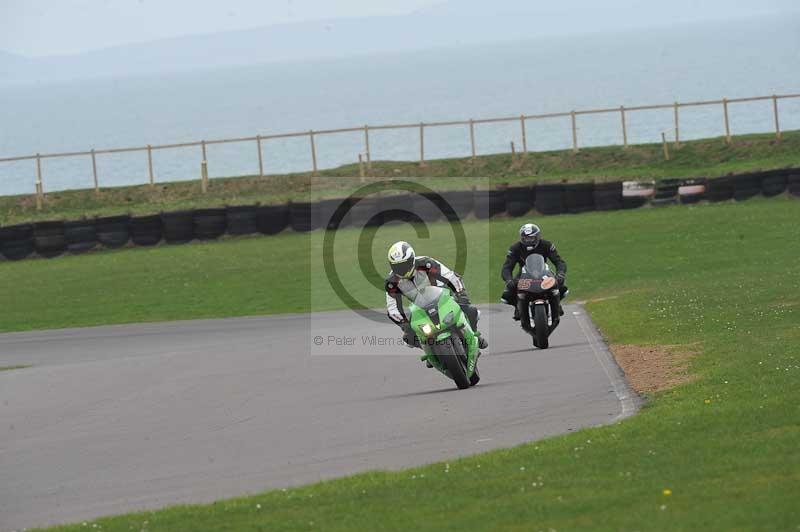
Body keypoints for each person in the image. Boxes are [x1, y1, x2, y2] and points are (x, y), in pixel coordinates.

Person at [385, 241, 488, 353]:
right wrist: (404, 324)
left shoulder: (426, 263)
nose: (401, 269)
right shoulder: (392, 282)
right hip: (420, 308)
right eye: (397, 266)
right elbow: (392, 309)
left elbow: (450, 276)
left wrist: (461, 295)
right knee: (408, 337)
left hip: (442, 297)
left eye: (404, 265)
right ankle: (430, 351)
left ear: (412, 260)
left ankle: (474, 336)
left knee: (470, 310)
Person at [501, 223, 568, 320]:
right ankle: (518, 307)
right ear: (521, 238)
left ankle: (557, 304)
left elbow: (559, 262)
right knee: (507, 294)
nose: (528, 241)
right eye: (526, 238)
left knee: (561, 287)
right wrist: (508, 280)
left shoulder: (546, 245)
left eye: (531, 238)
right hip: (523, 274)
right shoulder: (515, 248)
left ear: (537, 237)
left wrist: (560, 274)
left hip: (544, 272)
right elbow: (507, 267)